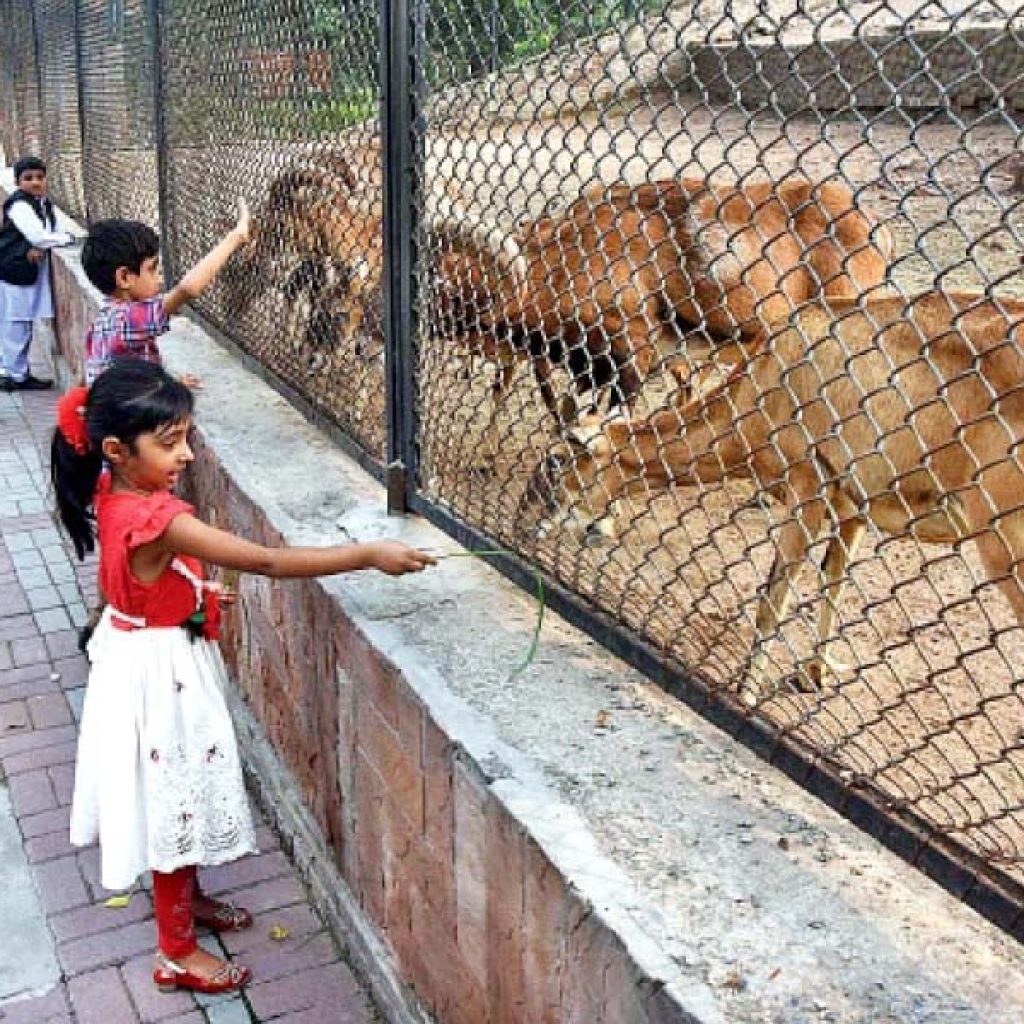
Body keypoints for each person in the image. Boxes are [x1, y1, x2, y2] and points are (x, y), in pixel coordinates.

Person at [51, 360, 435, 994]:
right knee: (174, 787)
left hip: (140, 655)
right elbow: (266, 559)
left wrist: (193, 593)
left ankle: (187, 898)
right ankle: (174, 950)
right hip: (160, 673)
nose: (187, 455)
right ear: (118, 450)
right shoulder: (160, 518)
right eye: (169, 443)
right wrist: (368, 554)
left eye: (186, 437)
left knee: (175, 781)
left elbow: (139, 586)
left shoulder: (117, 495)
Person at [80, 200, 251, 386]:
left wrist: (166, 383)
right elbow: (187, 289)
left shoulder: (103, 321)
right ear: (124, 278)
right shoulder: (127, 320)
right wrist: (236, 237)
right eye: (152, 269)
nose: (159, 279)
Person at [0, 156, 75, 390]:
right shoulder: (21, 205)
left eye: (40, 178)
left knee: (16, 321)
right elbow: (39, 236)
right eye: (28, 178)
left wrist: (42, 242)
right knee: (17, 322)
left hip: (20, 270)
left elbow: (45, 234)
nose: (35, 182)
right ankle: (14, 375)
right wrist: (67, 239)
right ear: (17, 181)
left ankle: (13, 371)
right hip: (15, 270)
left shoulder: (42, 204)